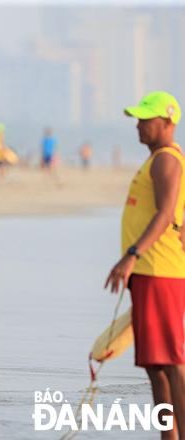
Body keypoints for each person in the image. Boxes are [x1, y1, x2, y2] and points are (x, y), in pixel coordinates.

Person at [105, 91, 185, 440]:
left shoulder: (166, 160)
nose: (138, 125)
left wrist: (132, 255)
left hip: (160, 271)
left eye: (145, 119)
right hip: (149, 273)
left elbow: (166, 213)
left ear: (167, 122)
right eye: (137, 118)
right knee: (155, 365)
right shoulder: (157, 160)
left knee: (171, 362)